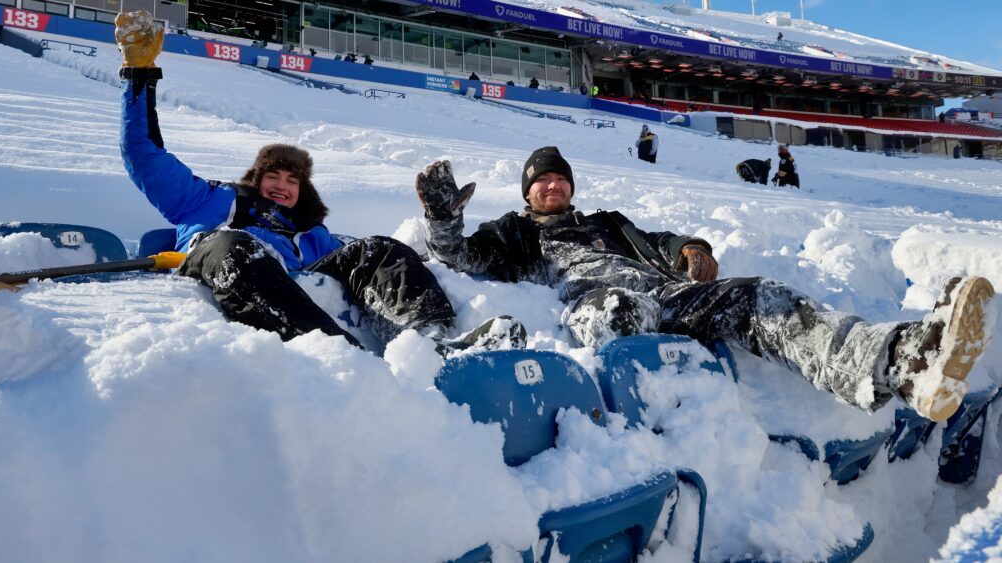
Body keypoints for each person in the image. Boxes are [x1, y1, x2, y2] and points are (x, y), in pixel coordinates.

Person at [416, 146, 994, 423]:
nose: (552, 187)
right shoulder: (516, 233)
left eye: (560, 179)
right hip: (595, 306)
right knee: (617, 310)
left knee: (759, 296)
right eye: (541, 182)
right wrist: (443, 219)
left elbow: (662, 242)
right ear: (526, 193)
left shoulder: (607, 223)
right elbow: (461, 258)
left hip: (669, 297)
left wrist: (692, 247)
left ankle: (904, 362)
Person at [114, 11, 515, 352]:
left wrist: (440, 240)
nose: (282, 185)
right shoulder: (204, 199)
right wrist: (139, 74)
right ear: (256, 180)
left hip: (287, 267)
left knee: (379, 247)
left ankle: (429, 343)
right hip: (221, 256)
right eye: (272, 175)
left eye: (293, 180)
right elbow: (142, 154)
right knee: (236, 246)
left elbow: (371, 258)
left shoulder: (308, 233)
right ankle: (342, 355)